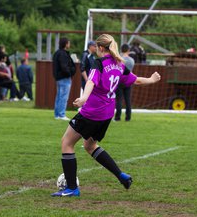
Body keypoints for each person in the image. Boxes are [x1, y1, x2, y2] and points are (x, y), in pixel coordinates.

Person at [51, 34, 161, 197]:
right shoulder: (119, 64)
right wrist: (151, 80)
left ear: (101, 48)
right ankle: (121, 175)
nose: (95, 50)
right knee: (90, 146)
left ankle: (72, 188)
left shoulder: (99, 63)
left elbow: (90, 82)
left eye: (97, 47)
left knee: (66, 143)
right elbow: (136, 80)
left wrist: (83, 99)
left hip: (92, 112)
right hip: (107, 114)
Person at [53, 38, 76, 120]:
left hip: (58, 78)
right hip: (64, 78)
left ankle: (57, 115)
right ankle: (62, 114)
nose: (69, 45)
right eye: (68, 43)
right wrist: (69, 73)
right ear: (65, 44)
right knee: (63, 97)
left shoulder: (57, 53)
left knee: (59, 96)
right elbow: (64, 67)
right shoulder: (63, 54)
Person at [114, 44, 135, 121]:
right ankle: (128, 117)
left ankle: (117, 117)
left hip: (119, 81)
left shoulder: (119, 59)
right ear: (128, 50)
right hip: (129, 81)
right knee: (128, 100)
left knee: (119, 100)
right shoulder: (132, 60)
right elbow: (131, 71)